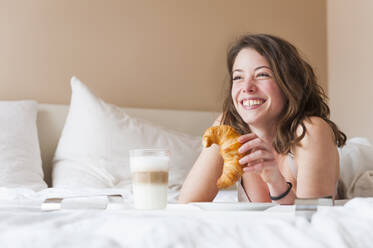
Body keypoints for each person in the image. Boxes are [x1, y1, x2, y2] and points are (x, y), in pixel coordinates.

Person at [178, 34, 346, 204]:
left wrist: (276, 181)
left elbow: (312, 217)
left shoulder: (310, 130)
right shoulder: (229, 128)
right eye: (238, 77)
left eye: (262, 75)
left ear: (288, 83)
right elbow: (187, 205)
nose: (247, 87)